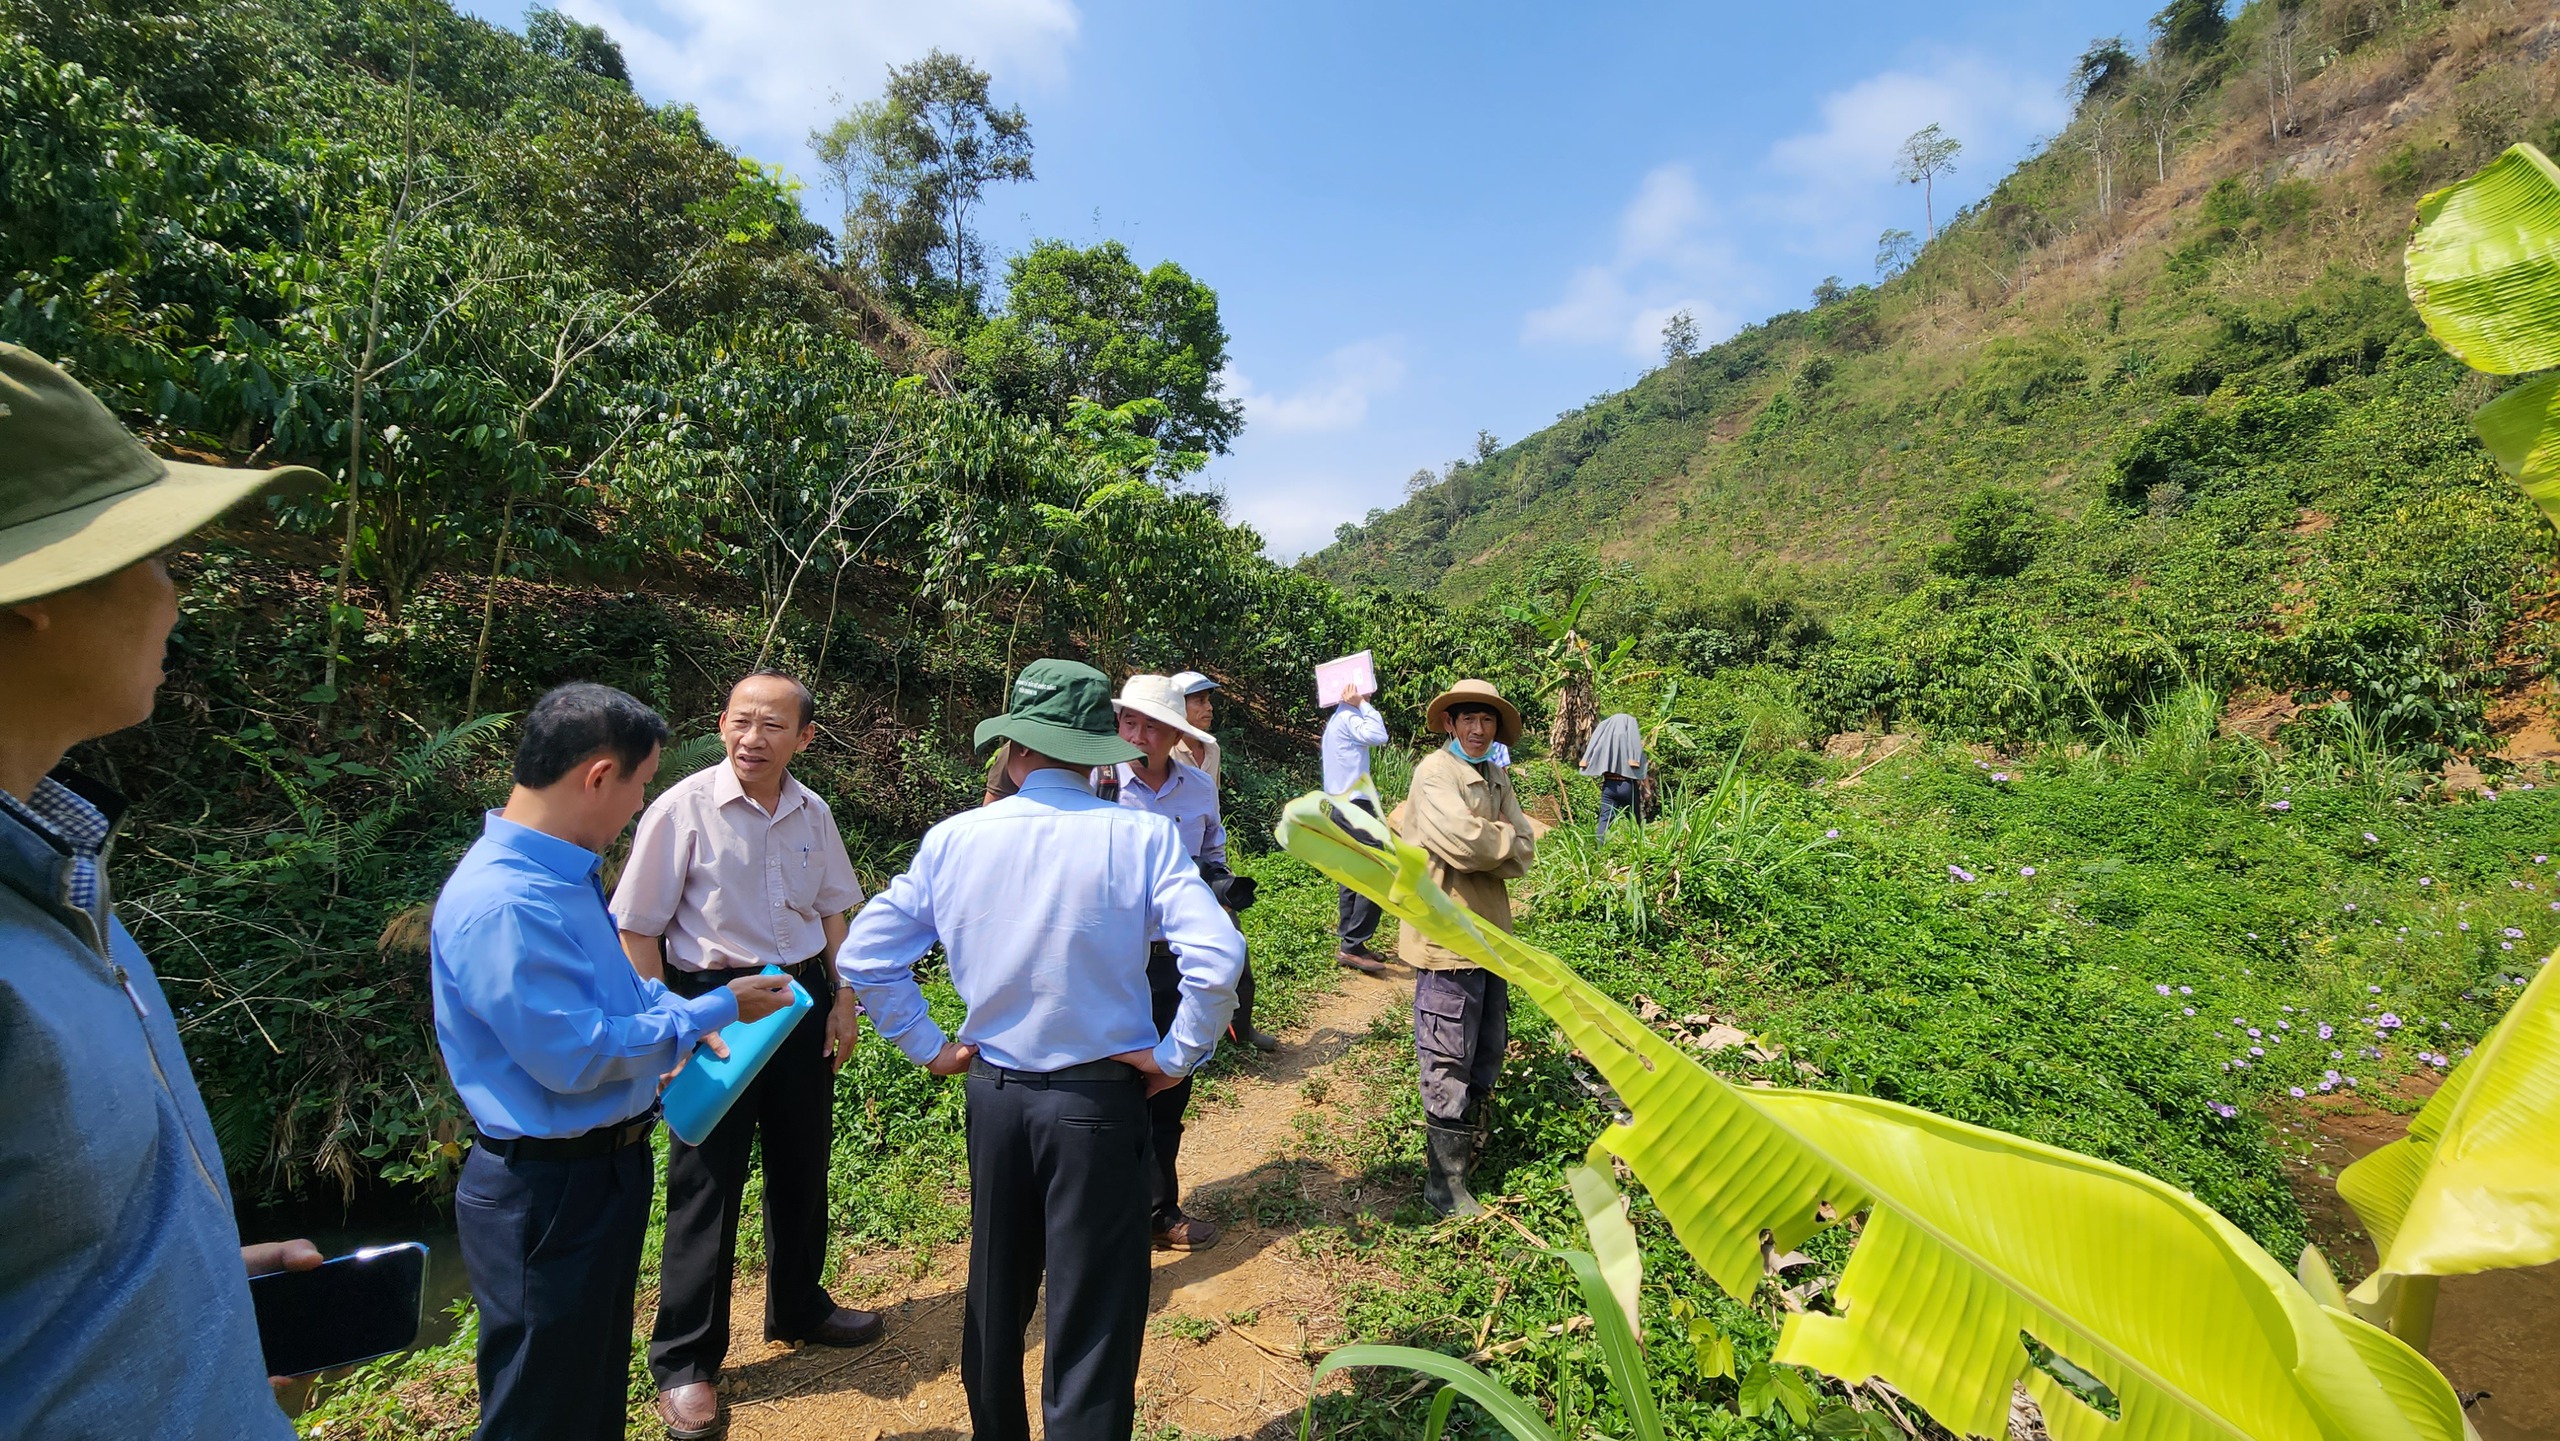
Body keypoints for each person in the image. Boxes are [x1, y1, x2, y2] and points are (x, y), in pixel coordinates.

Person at [0, 342, 329, 1437]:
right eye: (157, 550)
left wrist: (189, 1302)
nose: (174, 592)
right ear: (31, 595)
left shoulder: (60, 883)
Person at [836, 659, 1243, 1441]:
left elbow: (866, 955)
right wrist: (1175, 1053)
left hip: (993, 1092)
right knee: (1092, 1307)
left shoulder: (955, 838)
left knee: (995, 1287)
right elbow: (1217, 958)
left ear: (1014, 750)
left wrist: (928, 1045)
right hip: (1097, 1101)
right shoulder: (1142, 836)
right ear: (1097, 753)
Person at [432, 683, 796, 1441]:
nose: (641, 802)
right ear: (599, 775)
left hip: (599, 1171)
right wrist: (712, 1009)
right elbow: (577, 1053)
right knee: (540, 1404)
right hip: (546, 1188)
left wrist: (683, 1020)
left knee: (588, 1384)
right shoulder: (507, 903)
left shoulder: (565, 879)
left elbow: (630, 998)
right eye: (639, 782)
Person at [611, 671, 881, 1439]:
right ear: (722, 722)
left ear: (805, 738)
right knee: (706, 1181)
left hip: (796, 1001)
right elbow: (638, 928)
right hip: (716, 1006)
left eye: (773, 725)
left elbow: (835, 910)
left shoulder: (811, 809)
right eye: (741, 721)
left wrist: (843, 998)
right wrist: (676, 1022)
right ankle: (687, 1362)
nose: (752, 738)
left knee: (803, 1160)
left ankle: (799, 1302)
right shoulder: (682, 807)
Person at [1109, 674, 1260, 1254]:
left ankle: (1158, 1209)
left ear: (1177, 732)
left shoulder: (1198, 786)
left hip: (1173, 956)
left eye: (1153, 726)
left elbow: (1212, 853)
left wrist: (1217, 887)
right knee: (1109, 1083)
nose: (1139, 735)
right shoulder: (1097, 786)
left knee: (1169, 1085)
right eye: (1130, 722)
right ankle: (1109, 1211)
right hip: (1114, 958)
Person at [1389, 679, 1535, 1217]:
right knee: (1448, 1049)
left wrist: (1496, 840)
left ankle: (1468, 1156)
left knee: (1487, 1044)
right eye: (1468, 719)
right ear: (1449, 724)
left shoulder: (1495, 774)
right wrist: (1499, 839)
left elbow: (1524, 848)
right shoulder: (1434, 774)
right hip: (1447, 935)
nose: (1478, 729)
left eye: (1488, 721)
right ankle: (1442, 1186)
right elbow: (1464, 843)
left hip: (1491, 933)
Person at [1320, 680, 1393, 974]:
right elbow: (1379, 735)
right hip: (1352, 805)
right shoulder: (1350, 716)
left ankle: (1352, 944)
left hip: (1342, 804)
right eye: (1365, 688)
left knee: (1352, 872)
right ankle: (1353, 944)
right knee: (1377, 869)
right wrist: (1361, 703)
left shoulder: (1339, 719)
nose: (1370, 692)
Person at [1580, 711, 1646, 842]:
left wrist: (1585, 761)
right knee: (1635, 820)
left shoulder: (1605, 741)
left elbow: (1594, 752)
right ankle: (1640, 846)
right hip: (1627, 785)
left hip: (1609, 785)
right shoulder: (1629, 742)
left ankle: (1599, 852)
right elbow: (1640, 768)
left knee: (1604, 821)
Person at [1166, 670, 1222, 785]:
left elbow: (1212, 799)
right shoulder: (1165, 751)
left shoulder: (1212, 748)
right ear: (1178, 705)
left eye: (1208, 700)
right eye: (1200, 700)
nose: (1209, 707)